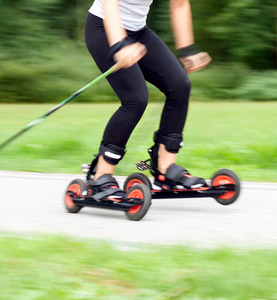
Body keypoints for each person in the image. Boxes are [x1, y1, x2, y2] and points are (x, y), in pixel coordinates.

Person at [84, 0, 212, 201]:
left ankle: (165, 167)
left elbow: (179, 4)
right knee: (135, 99)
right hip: (104, 27)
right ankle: (101, 176)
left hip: (139, 32)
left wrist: (187, 50)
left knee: (180, 86)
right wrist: (120, 44)